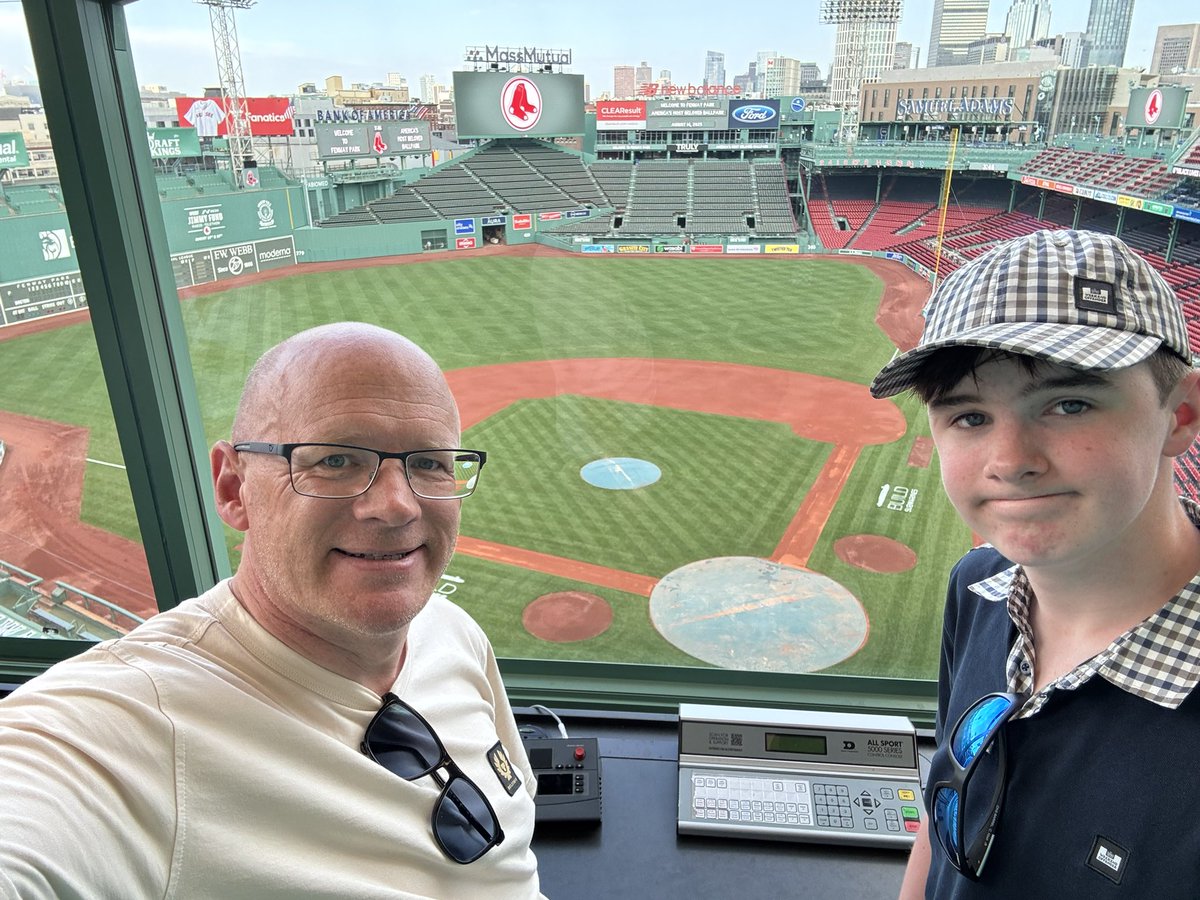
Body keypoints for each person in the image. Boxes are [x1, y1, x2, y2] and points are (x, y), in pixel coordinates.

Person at [0, 323, 544, 899]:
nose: (395, 505)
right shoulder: (132, 727)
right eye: (336, 460)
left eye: (431, 463)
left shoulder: (452, 632)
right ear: (234, 488)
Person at [870, 229, 1200, 898]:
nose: (1011, 458)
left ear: (1182, 414)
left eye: (1069, 403)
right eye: (968, 416)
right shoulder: (980, 589)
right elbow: (948, 799)